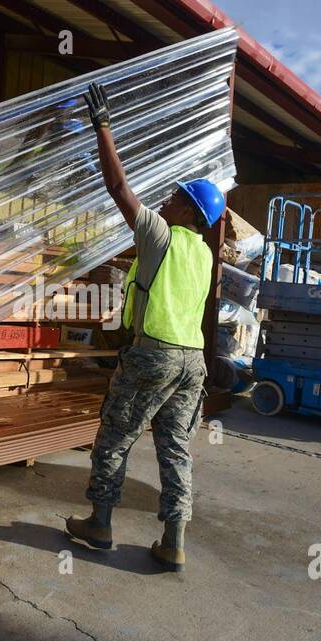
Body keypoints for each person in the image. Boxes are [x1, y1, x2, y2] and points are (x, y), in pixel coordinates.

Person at [64, 83, 225, 572]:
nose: (167, 200)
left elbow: (118, 188)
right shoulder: (205, 254)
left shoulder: (160, 234)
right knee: (175, 448)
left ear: (188, 210)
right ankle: (174, 539)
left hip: (154, 354)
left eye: (175, 197)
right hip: (191, 362)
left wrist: (103, 126)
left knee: (115, 437)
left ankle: (100, 523)